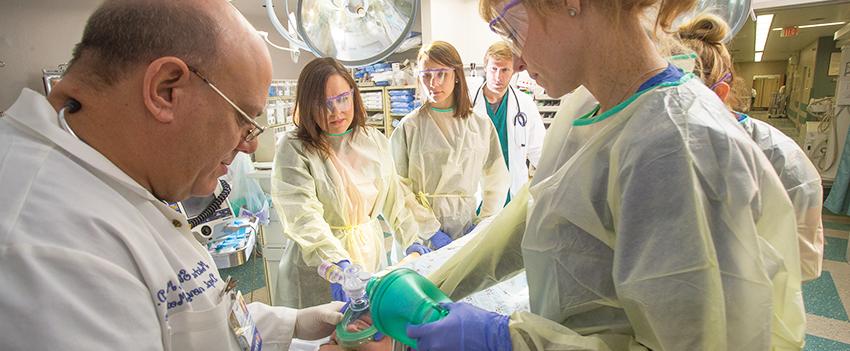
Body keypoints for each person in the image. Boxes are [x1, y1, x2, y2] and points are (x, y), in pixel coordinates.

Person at [413, 1, 806, 350]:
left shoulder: (678, 143)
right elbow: (529, 220)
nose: (515, 61)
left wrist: (506, 340)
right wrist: (431, 286)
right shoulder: (586, 107)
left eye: (514, 29)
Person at [0, 1, 343, 350]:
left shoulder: (122, 175)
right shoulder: (43, 243)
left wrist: (294, 324)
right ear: (166, 90)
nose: (249, 147)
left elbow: (191, 318)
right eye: (244, 120)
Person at [272, 57, 447, 309]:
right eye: (324, 104)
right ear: (308, 105)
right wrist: (336, 263)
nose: (336, 112)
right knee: (320, 338)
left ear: (354, 95)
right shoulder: (295, 147)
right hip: (318, 265)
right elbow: (302, 215)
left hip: (367, 254)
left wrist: (412, 240)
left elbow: (394, 198)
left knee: (365, 336)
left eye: (343, 99)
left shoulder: (372, 140)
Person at [678, 13, 824, 281]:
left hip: (753, 296)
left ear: (720, 93)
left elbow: (804, 261)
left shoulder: (778, 155)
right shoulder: (657, 146)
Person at [390, 41, 510, 240]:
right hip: (420, 231)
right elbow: (397, 185)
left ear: (456, 75)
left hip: (466, 225)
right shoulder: (409, 127)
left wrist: (484, 221)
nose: (433, 83)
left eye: (441, 74)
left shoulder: (480, 124)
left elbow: (497, 178)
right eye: (426, 75)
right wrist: (429, 229)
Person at [471, 41, 546, 201]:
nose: (498, 77)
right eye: (494, 69)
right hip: (476, 192)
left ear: (513, 71)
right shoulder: (468, 103)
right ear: (485, 68)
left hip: (513, 192)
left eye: (505, 70)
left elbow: (539, 152)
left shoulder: (525, 104)